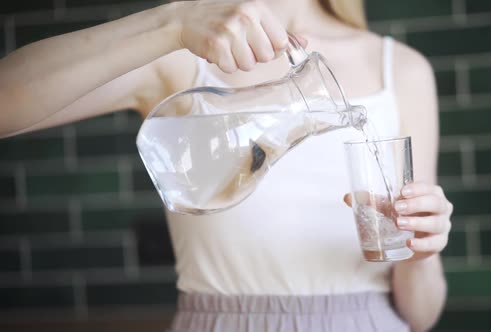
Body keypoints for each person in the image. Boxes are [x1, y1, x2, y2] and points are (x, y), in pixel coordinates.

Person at [0, 0, 453, 331]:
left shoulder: (404, 69)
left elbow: (421, 315)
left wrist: (421, 251)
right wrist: (172, 21)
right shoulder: (183, 50)